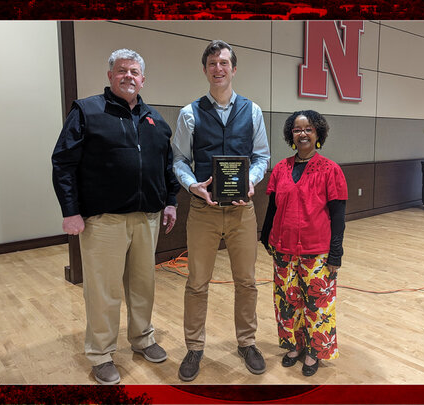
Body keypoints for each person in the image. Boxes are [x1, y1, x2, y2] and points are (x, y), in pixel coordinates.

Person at [51, 49, 180, 385]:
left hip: (147, 218)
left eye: (134, 72)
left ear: (143, 78)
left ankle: (143, 339)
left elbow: (165, 166)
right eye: (121, 70)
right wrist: (71, 211)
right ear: (110, 76)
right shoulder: (87, 110)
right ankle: (101, 354)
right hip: (103, 219)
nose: (128, 76)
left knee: (143, 286)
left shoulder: (155, 119)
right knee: (103, 290)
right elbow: (63, 163)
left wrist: (170, 201)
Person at [171, 40, 270, 382]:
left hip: (243, 211)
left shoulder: (252, 111)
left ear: (233, 69)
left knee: (247, 282)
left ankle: (247, 342)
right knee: (197, 283)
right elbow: (180, 160)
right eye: (212, 63)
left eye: (224, 63)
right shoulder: (189, 113)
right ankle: (195, 347)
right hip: (203, 210)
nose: (218, 68)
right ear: (205, 69)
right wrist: (191, 185)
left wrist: (252, 180)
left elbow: (261, 157)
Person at [259, 110, 348, 377]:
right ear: (291, 135)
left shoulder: (330, 169)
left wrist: (335, 254)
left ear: (318, 133)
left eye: (308, 128)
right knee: (288, 301)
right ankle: (294, 345)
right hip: (283, 249)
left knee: (316, 305)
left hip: (316, 251)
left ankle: (314, 351)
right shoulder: (281, 168)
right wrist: (265, 237)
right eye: (297, 130)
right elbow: (273, 208)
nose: (303, 134)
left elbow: (338, 216)